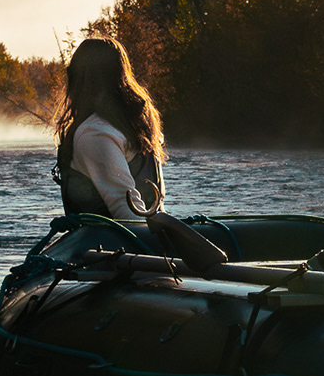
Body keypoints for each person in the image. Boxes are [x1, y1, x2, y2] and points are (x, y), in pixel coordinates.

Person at [55, 36, 227, 272]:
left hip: (117, 254)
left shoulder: (95, 133)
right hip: (145, 249)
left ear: (80, 78)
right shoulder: (133, 124)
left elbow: (127, 213)